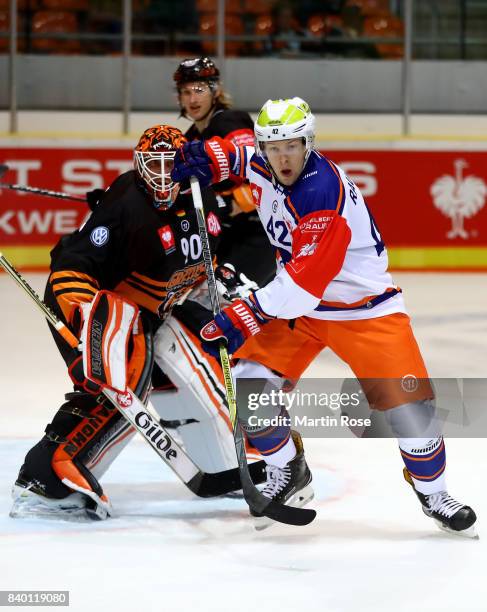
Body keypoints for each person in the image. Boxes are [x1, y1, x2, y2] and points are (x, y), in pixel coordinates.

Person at [171, 97, 478, 536]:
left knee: (413, 415)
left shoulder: (321, 190)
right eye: (273, 147)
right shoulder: (262, 161)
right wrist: (206, 159)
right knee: (250, 385)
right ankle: (287, 471)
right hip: (304, 310)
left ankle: (434, 493)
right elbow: (239, 156)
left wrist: (248, 312)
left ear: (308, 143)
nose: (283, 157)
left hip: (364, 312)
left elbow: (304, 282)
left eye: (292, 146)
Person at [10, 124, 248, 521]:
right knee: (118, 379)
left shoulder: (200, 196)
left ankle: (222, 460)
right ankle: (48, 479)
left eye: (170, 164)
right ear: (138, 165)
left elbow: (206, 252)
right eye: (152, 164)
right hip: (99, 306)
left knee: (197, 361)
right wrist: (86, 315)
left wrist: (222, 277)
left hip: (153, 309)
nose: (161, 173)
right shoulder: (126, 204)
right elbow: (72, 266)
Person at [173, 56, 276, 287]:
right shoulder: (191, 137)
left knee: (221, 298)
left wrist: (230, 203)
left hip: (260, 234)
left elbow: (265, 176)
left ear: (215, 91)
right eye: (185, 92)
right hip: (230, 235)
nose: (192, 98)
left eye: (199, 90)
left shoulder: (229, 122)